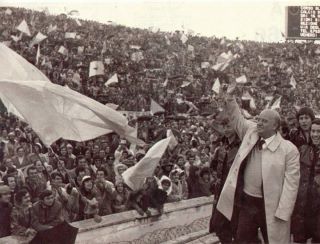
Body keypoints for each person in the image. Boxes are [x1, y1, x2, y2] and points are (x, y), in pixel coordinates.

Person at [212, 85, 300, 244]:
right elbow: (236, 117)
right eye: (258, 119)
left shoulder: (289, 150)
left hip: (271, 206)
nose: (258, 123)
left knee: (273, 240)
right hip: (248, 202)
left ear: (275, 126)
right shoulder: (251, 131)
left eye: (264, 121)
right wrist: (230, 98)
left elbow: (291, 185)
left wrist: (283, 212)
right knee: (242, 240)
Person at [291, 119, 320, 243]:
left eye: (319, 131)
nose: (315, 134)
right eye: (313, 131)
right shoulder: (305, 149)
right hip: (304, 204)